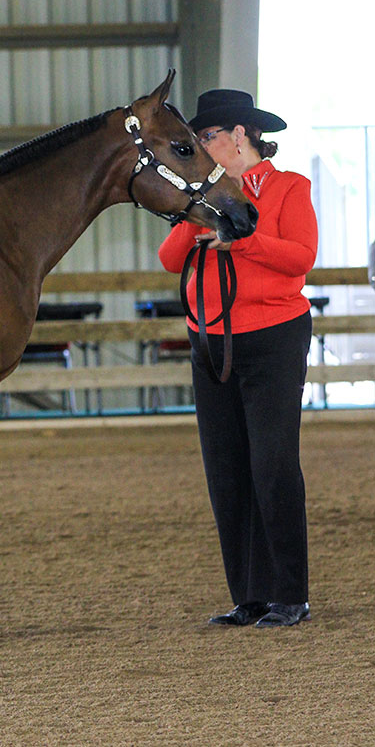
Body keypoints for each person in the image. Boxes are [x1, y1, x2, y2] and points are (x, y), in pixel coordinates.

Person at [158, 89, 318, 628]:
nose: (200, 145)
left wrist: (241, 243)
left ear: (239, 136)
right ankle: (249, 595)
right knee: (225, 469)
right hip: (212, 340)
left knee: (272, 463)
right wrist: (194, 216)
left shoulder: (290, 188)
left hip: (273, 337)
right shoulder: (205, 195)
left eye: (206, 137)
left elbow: (301, 258)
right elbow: (168, 259)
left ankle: (290, 593)